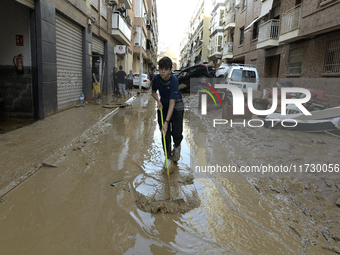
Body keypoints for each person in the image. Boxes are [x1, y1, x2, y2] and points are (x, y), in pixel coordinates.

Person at [151, 57, 184, 164]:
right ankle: (168, 156)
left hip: (176, 106)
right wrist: (157, 101)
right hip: (164, 106)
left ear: (170, 70)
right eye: (161, 69)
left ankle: (177, 146)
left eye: (165, 69)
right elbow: (153, 92)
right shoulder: (156, 79)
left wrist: (166, 122)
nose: (163, 71)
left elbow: (172, 103)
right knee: (165, 133)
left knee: (176, 133)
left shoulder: (174, 80)